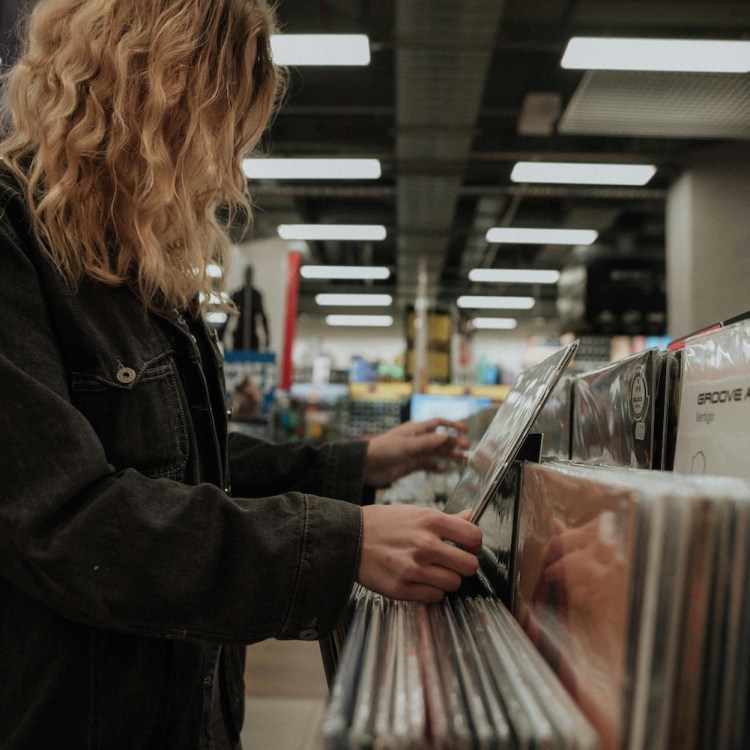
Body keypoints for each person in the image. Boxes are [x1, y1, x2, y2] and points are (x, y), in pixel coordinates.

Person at [0, 1, 482, 748]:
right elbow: (63, 521)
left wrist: (361, 461)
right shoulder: (13, 240)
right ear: (144, 87)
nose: (223, 159)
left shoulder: (134, 260)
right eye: (211, 119)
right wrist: (336, 543)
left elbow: (193, 464)